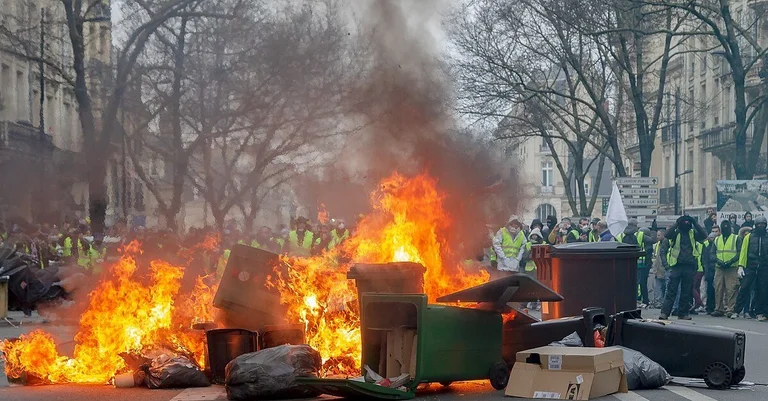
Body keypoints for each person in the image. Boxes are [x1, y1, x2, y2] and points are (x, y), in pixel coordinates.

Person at [659, 215, 707, 320]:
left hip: (689, 265)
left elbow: (704, 235)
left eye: (688, 222)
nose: (686, 224)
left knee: (686, 291)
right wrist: (676, 223)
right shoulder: (676, 232)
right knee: (672, 290)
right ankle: (665, 313)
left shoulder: (692, 233)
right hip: (677, 265)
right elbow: (667, 234)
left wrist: (695, 223)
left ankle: (683, 313)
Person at [736, 216, 768, 321]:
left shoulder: (767, 236)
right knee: (744, 288)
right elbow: (743, 252)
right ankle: (736, 310)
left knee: (763, 290)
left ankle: (760, 312)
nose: (761, 226)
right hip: (750, 266)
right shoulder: (749, 236)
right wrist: (741, 266)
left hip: (764, 267)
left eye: (763, 224)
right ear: (755, 225)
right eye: (759, 224)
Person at [617, 219, 655, 307]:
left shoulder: (620, 235)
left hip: (624, 263)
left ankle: (625, 300)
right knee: (639, 282)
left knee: (625, 282)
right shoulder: (640, 234)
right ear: (635, 225)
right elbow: (651, 240)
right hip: (639, 263)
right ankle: (638, 300)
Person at [711, 220, 742, 318]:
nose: (725, 229)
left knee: (731, 288)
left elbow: (739, 252)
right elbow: (712, 253)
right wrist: (718, 261)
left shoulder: (736, 238)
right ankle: (719, 309)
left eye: (726, 227)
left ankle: (730, 309)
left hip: (732, 267)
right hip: (719, 267)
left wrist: (731, 261)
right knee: (718, 288)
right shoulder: (717, 239)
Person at [650, 229, 668, 308]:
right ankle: (659, 302)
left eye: (659, 235)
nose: (657, 237)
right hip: (658, 269)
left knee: (665, 287)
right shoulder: (657, 245)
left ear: (663, 235)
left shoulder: (666, 244)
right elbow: (656, 258)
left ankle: (664, 302)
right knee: (658, 287)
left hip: (664, 269)